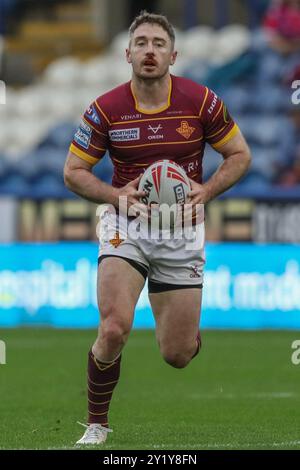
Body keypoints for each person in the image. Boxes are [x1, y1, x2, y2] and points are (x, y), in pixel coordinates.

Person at [64, 11, 251, 445]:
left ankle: (186, 329)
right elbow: (73, 171)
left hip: (181, 232)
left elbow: (240, 154)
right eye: (142, 43)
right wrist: (117, 197)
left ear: (174, 55)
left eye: (159, 44)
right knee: (113, 327)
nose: (150, 51)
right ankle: (97, 425)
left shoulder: (201, 102)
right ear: (128, 53)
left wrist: (205, 191)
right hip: (125, 225)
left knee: (178, 355)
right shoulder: (105, 109)